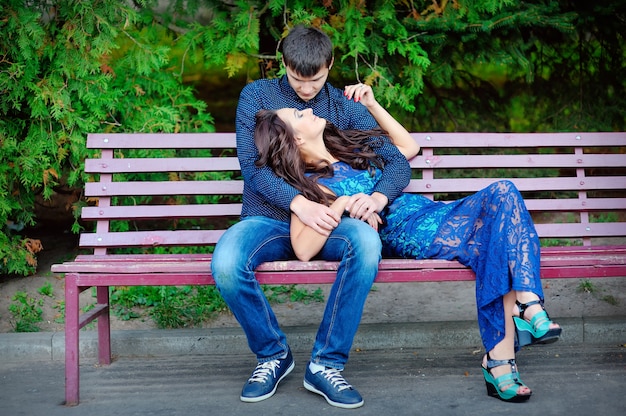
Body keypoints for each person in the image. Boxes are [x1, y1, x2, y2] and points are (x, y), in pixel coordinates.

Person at [252, 86, 563, 403]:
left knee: (499, 234)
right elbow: (303, 248)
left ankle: (501, 361)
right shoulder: (312, 185)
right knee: (503, 195)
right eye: (299, 114)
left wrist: (372, 105)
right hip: (408, 232)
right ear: (297, 140)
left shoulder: (346, 144)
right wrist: (341, 203)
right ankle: (524, 313)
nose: (308, 108)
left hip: (427, 213)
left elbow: (407, 147)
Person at [210, 25, 411, 409]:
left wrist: (379, 196)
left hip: (331, 225)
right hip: (268, 219)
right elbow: (253, 168)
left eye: (315, 80)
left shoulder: (342, 107)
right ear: (282, 63)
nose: (306, 90)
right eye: (297, 80)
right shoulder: (258, 97)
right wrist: (298, 203)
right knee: (227, 262)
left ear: (330, 64)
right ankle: (272, 354)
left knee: (367, 243)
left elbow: (398, 161)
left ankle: (325, 364)